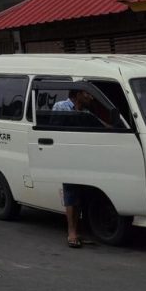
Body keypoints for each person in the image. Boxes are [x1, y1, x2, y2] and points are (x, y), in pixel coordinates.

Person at [52, 89, 97, 248]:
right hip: (68, 157)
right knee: (71, 194)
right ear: (77, 94)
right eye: (87, 94)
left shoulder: (86, 112)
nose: (90, 97)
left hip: (84, 158)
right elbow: (55, 131)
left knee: (82, 195)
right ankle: (71, 233)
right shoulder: (61, 107)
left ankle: (79, 232)